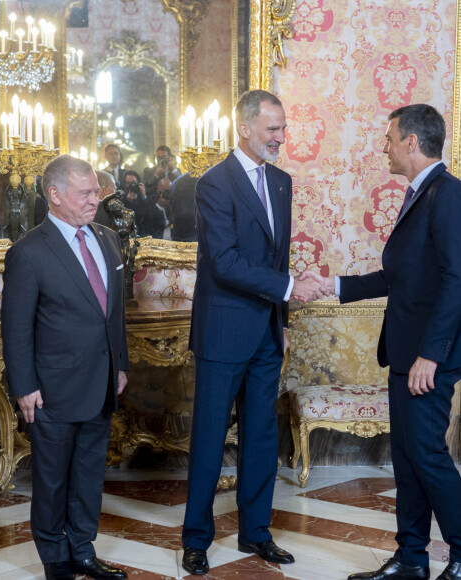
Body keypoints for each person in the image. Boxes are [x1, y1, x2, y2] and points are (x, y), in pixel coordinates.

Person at [304, 104, 461, 580]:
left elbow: (458, 279)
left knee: (428, 456)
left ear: (413, 141)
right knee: (408, 458)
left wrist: (430, 355)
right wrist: (331, 285)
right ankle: (411, 558)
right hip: (404, 354)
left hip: (426, 358)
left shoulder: (447, 194)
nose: (384, 146)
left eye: (390, 137)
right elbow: (397, 276)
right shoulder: (421, 194)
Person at [181, 90, 323, 576]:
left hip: (266, 332)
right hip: (223, 330)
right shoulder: (214, 183)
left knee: (262, 436)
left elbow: (275, 257)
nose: (281, 138)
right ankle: (196, 540)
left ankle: (256, 533)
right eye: (272, 129)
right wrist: (288, 287)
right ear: (244, 128)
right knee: (209, 438)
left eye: (283, 129)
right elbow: (224, 262)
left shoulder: (282, 182)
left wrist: (280, 321)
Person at [1, 155, 129, 580]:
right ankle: (55, 559)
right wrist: (24, 385)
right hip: (51, 387)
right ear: (55, 195)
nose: (97, 199)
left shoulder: (109, 240)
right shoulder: (28, 251)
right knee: (53, 481)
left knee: (89, 475)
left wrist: (121, 365)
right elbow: (16, 327)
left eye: (97, 191)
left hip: (102, 381)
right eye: (86, 193)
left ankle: (83, 550)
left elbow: (114, 315)